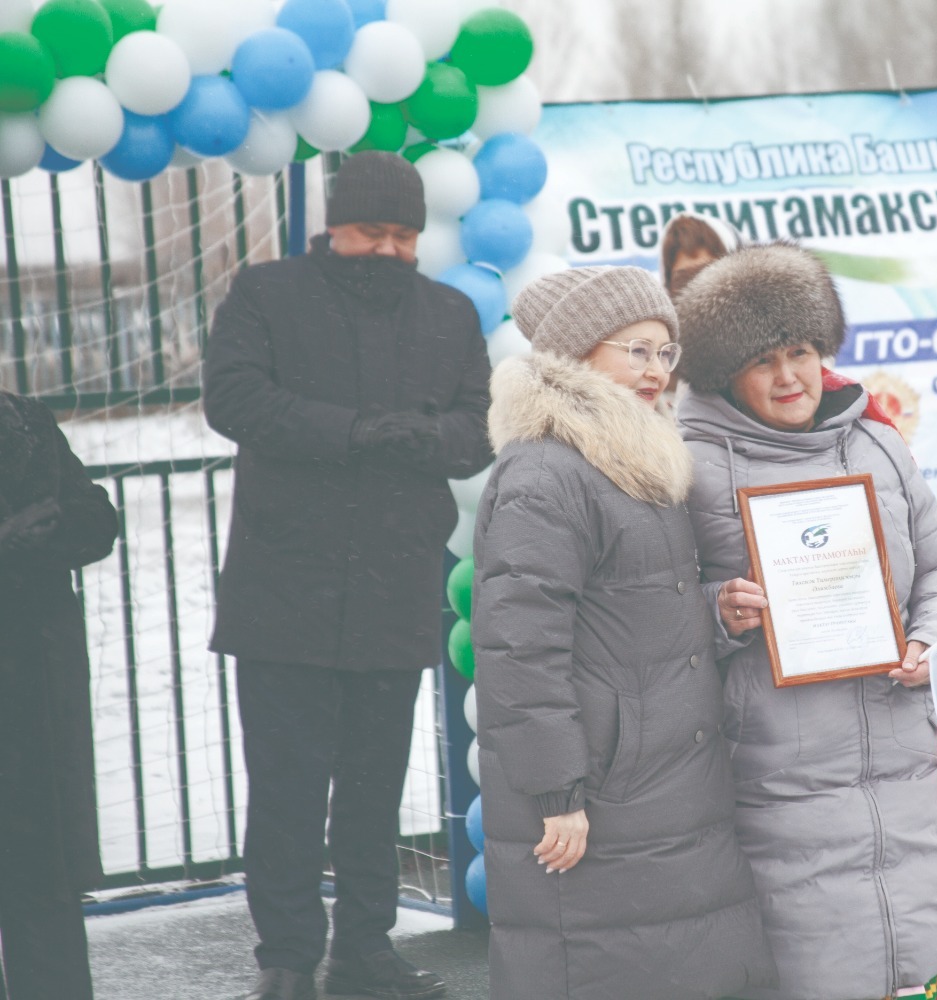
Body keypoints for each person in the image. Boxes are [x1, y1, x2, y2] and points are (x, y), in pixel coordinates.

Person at [203, 151, 493, 1000]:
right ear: (333, 227)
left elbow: (479, 427)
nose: (390, 250)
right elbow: (234, 400)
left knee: (373, 788)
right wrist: (359, 430)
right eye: (372, 232)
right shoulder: (266, 294)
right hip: (283, 587)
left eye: (405, 235)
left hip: (393, 584)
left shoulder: (449, 312)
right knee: (286, 789)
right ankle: (286, 959)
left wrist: (423, 438)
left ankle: (364, 947)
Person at [674, 243, 937, 1000]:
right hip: (783, 776)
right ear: (725, 373)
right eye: (763, 360)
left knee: (922, 971)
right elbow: (648, 615)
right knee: (818, 969)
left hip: (903, 765)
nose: (789, 377)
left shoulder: (876, 441)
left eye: (801, 352)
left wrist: (929, 640)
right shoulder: (689, 467)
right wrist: (719, 611)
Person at [470, 265, 776, 999]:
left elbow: (626, 609)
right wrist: (556, 791)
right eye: (635, 350)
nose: (655, 371)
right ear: (577, 354)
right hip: (602, 789)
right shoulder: (546, 473)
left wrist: (713, 612)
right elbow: (519, 647)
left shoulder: (630, 454)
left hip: (662, 779)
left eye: (665, 352)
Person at [0, 390, 118, 1000]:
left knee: (41, 878)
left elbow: (98, 518)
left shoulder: (25, 418)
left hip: (34, 690)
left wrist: (56, 525)